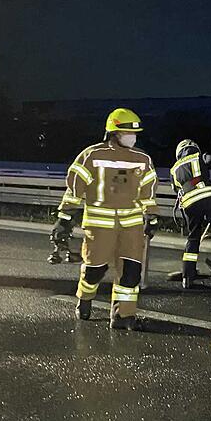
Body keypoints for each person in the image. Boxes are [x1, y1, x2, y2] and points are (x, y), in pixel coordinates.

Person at [51, 108, 159, 330]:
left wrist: (152, 215)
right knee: (95, 270)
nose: (133, 137)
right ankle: (85, 298)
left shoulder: (142, 159)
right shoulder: (92, 156)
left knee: (130, 274)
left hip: (132, 228)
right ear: (113, 132)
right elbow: (74, 189)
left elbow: (147, 192)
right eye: (128, 132)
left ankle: (123, 316)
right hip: (99, 228)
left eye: (135, 133)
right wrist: (64, 218)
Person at [170, 139, 211, 289]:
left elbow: (175, 189)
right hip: (209, 198)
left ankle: (188, 275)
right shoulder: (198, 156)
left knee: (193, 237)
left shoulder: (173, 169)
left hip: (189, 205)